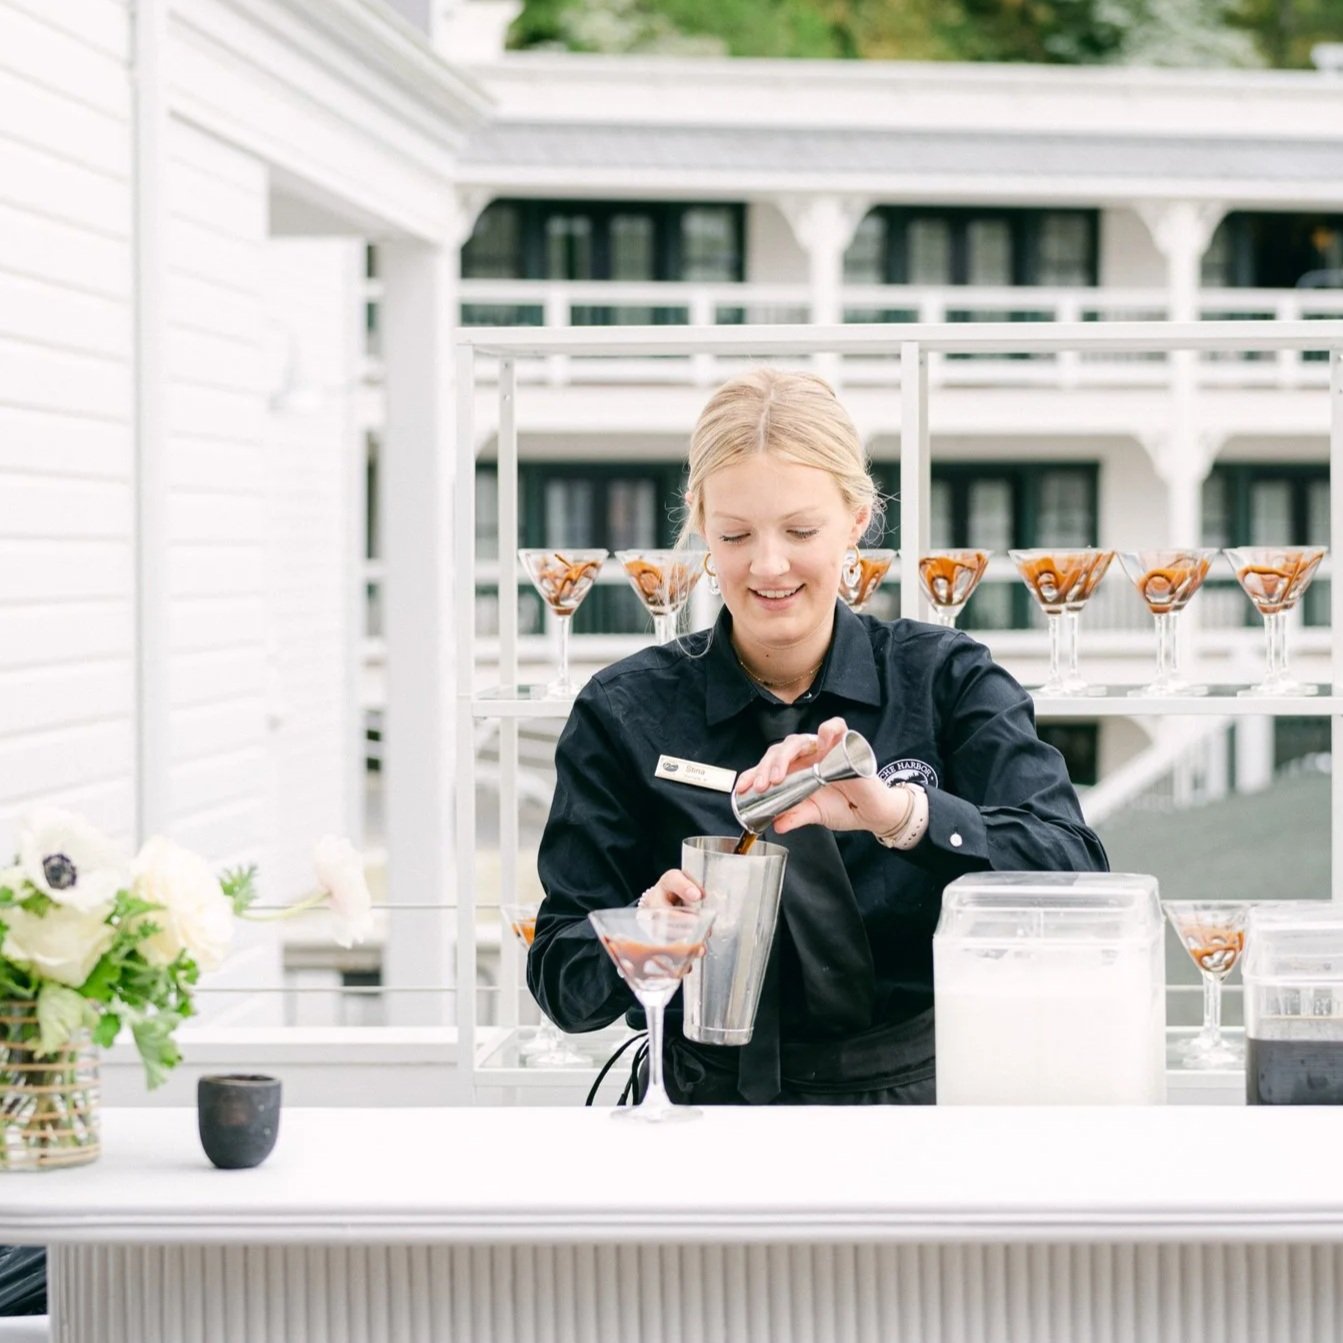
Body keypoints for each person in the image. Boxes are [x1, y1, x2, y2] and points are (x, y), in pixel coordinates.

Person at [529, 368, 1108, 1106]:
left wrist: (904, 817)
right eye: (735, 534)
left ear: (856, 519)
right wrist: (640, 935)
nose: (767, 565)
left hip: (931, 1104)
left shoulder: (946, 678)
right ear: (702, 525)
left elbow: (1078, 876)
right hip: (704, 1109)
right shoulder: (624, 711)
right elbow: (560, 980)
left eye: (800, 531)